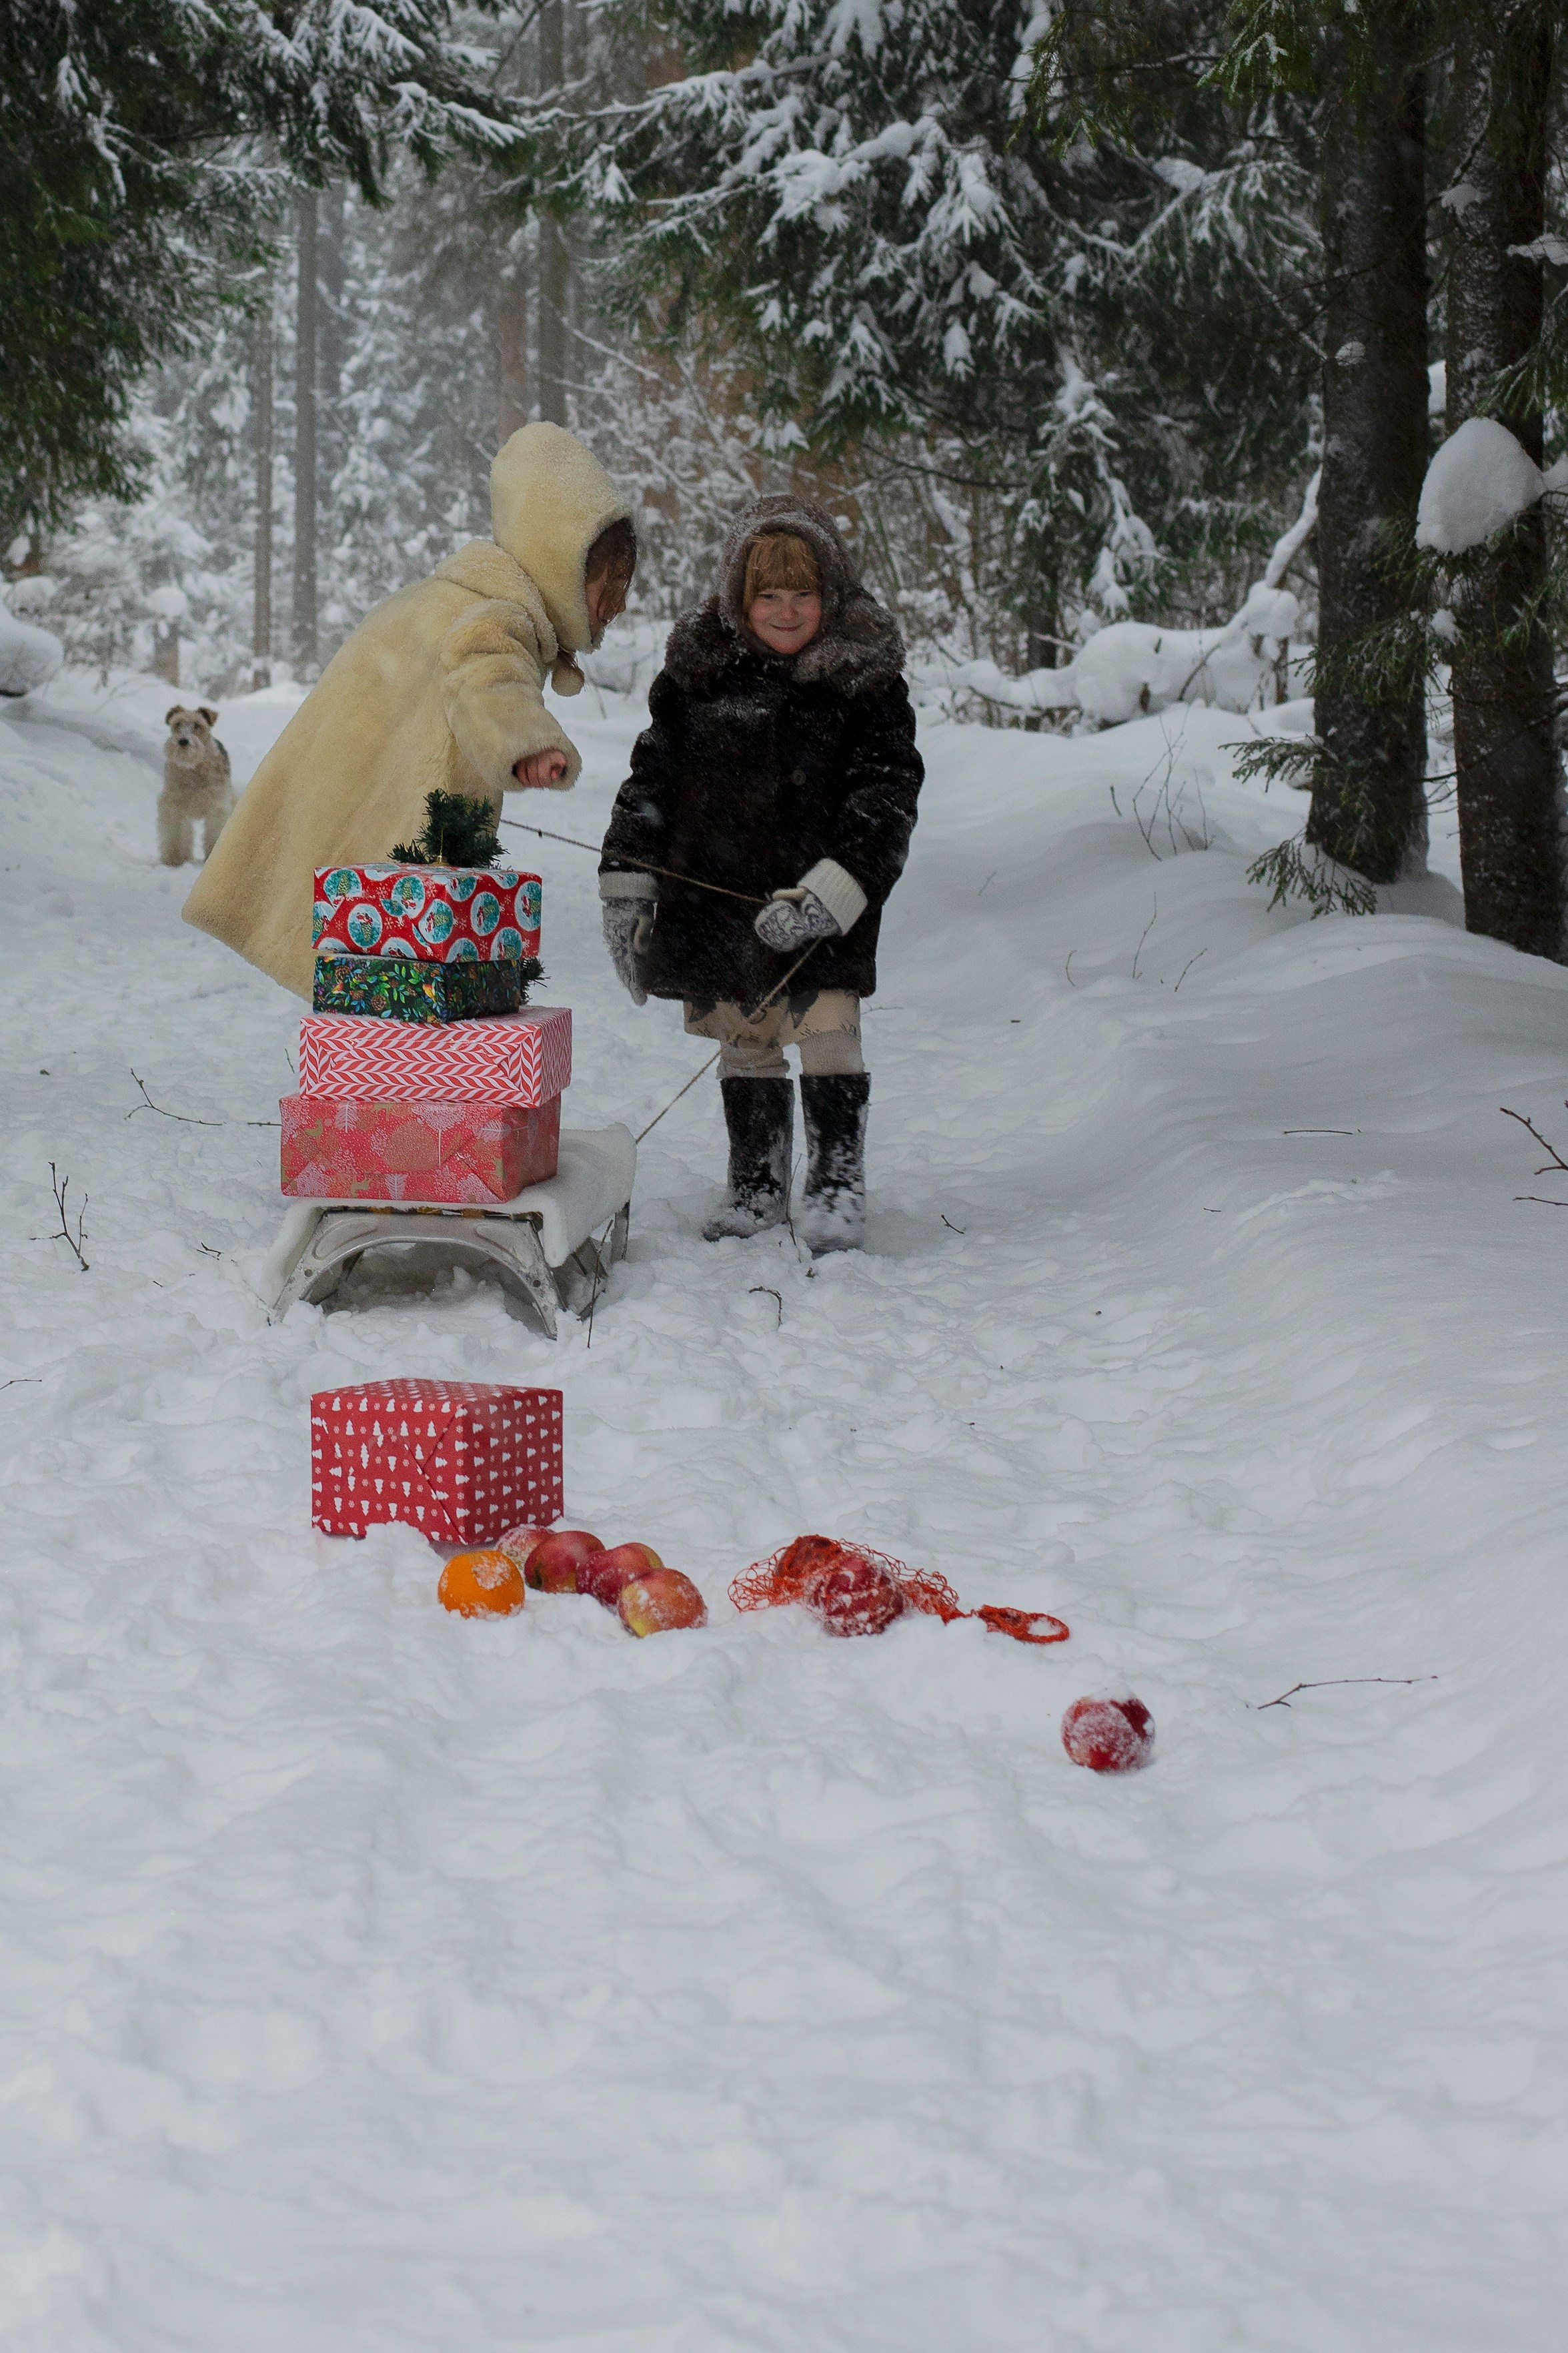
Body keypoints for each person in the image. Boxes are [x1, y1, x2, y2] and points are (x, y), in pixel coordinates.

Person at [184, 423, 635, 997]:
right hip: (401, 877)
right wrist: (527, 742)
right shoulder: (496, 616)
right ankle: (391, 1086)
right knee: (398, 999)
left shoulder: (444, 596)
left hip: (348, 845)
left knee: (365, 991)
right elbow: (488, 678)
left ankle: (372, 1075)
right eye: (608, 583)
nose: (618, 604)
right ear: (560, 563)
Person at [598, 493, 923, 1251]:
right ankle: (756, 1180)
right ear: (738, 599)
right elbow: (651, 784)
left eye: (801, 595)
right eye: (766, 596)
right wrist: (627, 883)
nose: (784, 611)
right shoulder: (697, 679)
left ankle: (836, 1180)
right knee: (745, 1037)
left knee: (827, 1030)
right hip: (717, 898)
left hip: (826, 900)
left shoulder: (864, 682)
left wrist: (835, 890)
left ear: (829, 595)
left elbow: (887, 796)